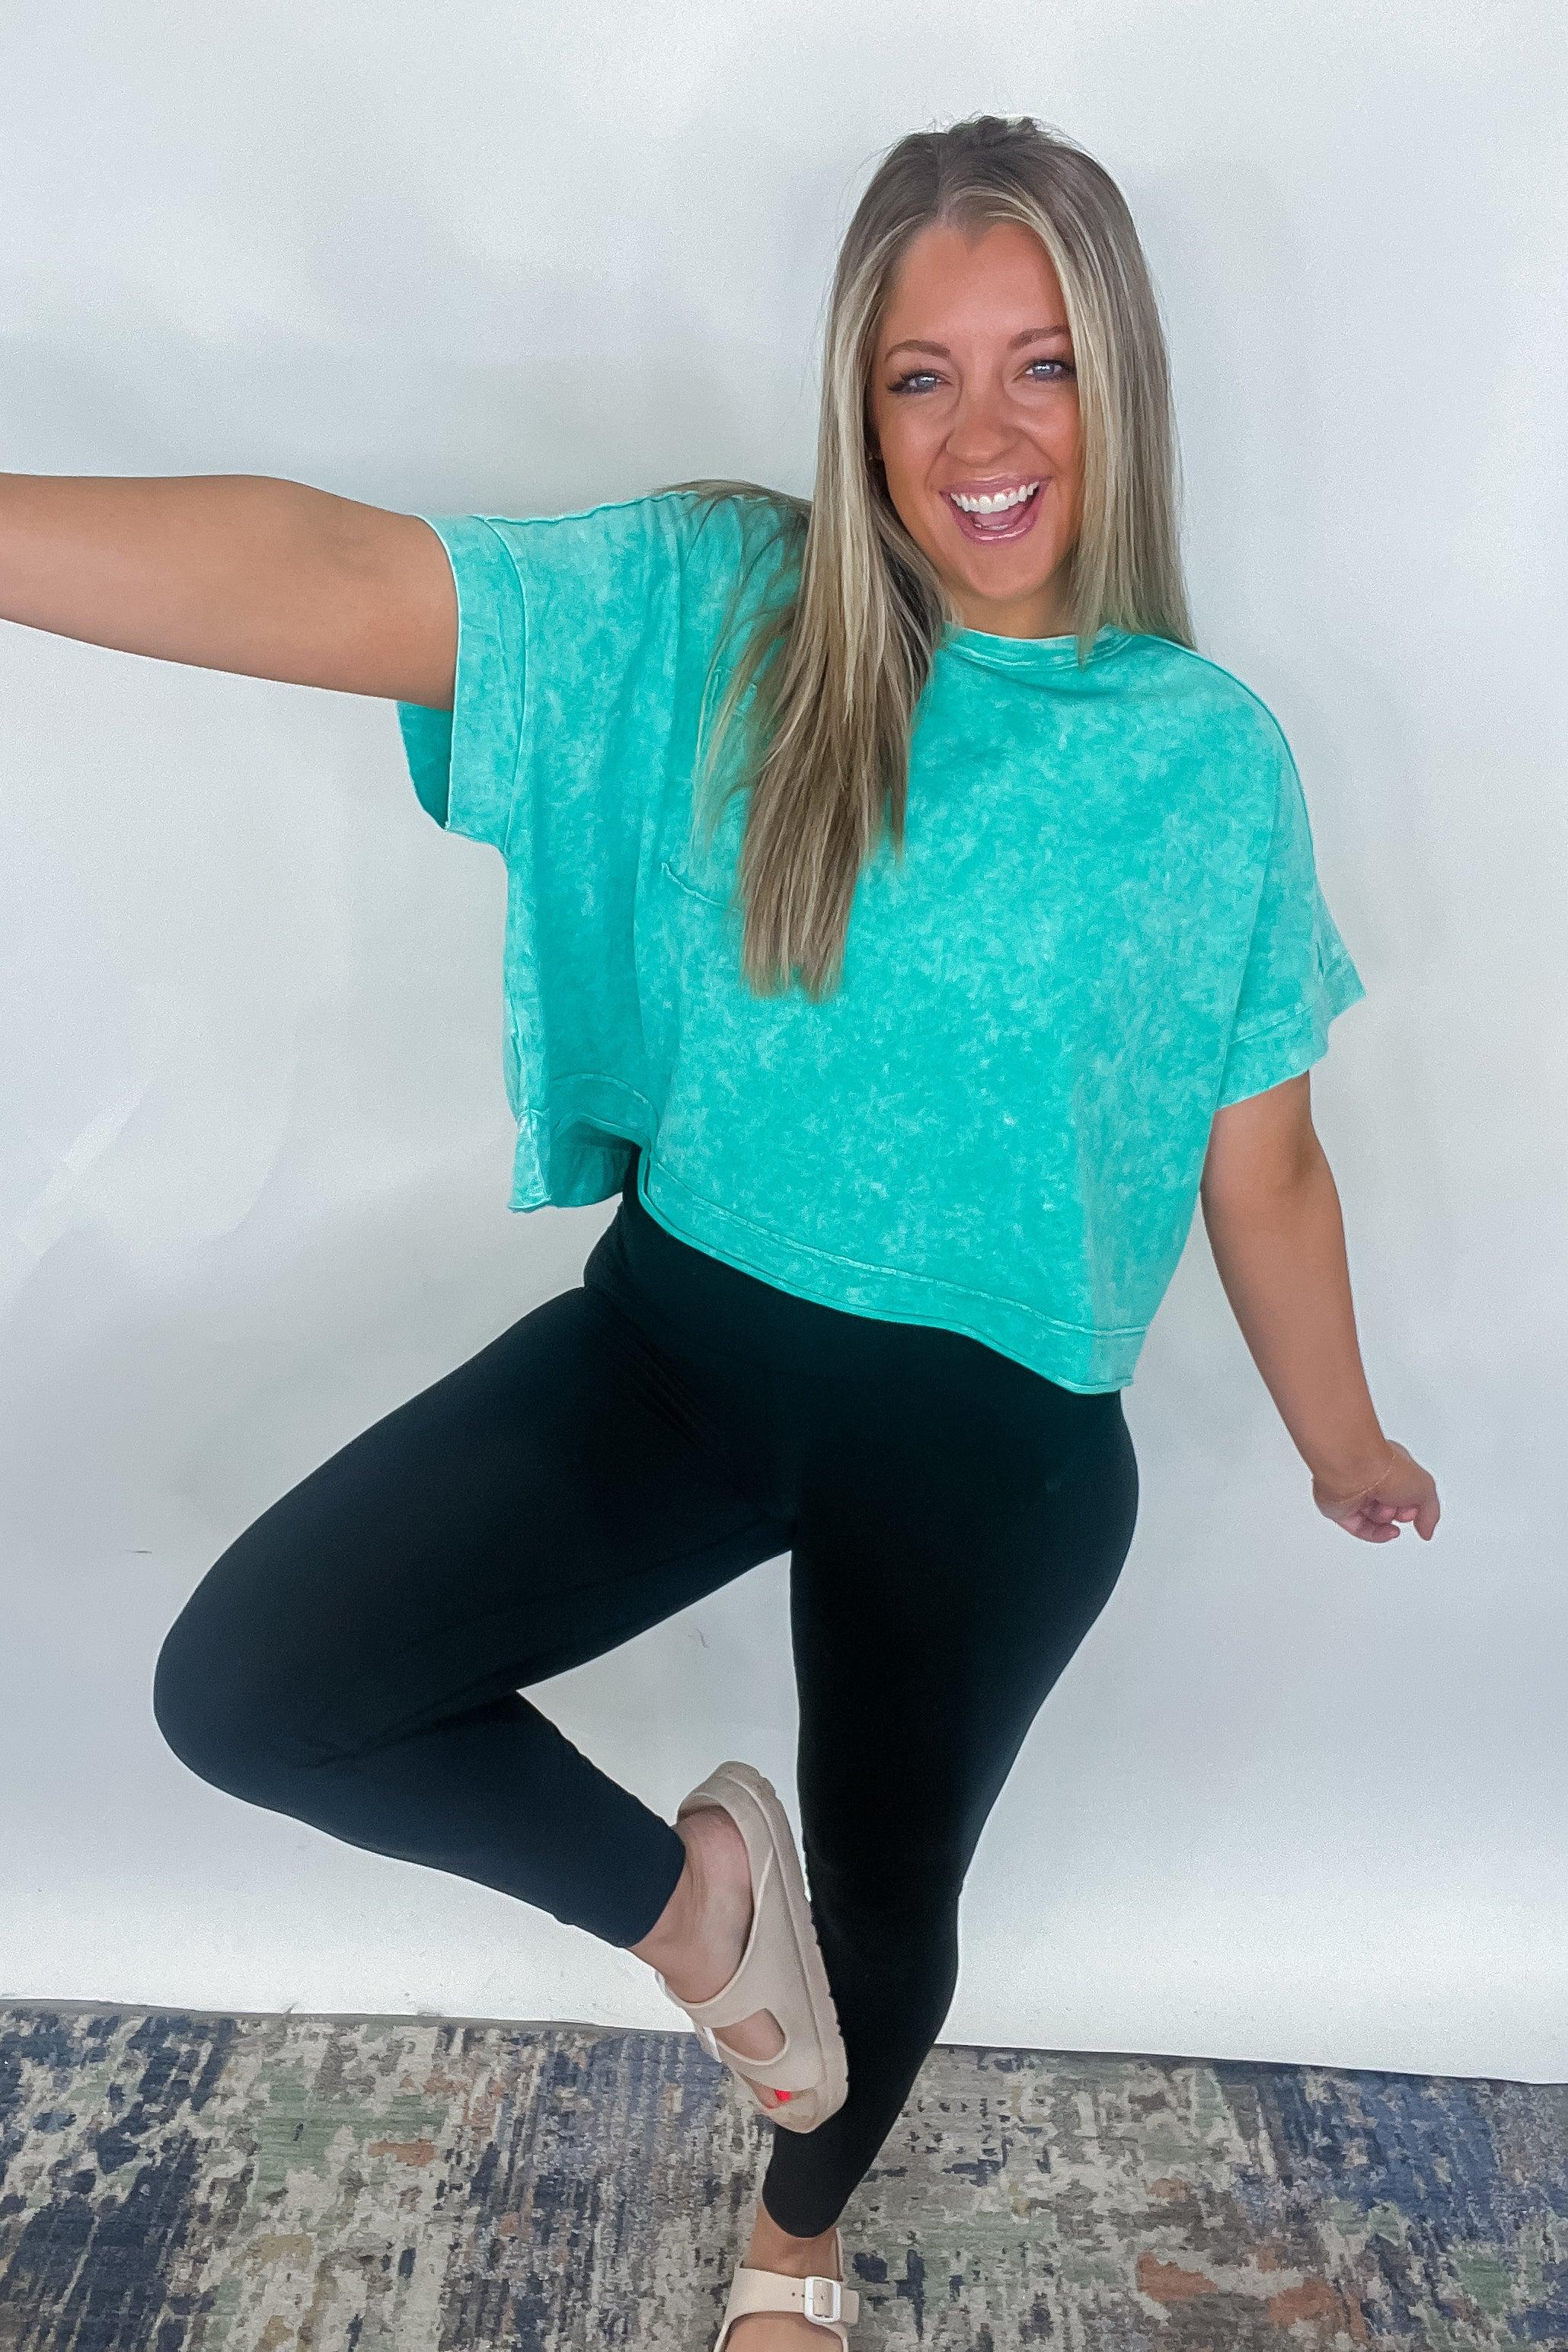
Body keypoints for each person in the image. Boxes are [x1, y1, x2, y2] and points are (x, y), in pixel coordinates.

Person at [3, 110, 1441, 2352]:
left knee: (885, 1896)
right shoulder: (724, 612)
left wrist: (1341, 1439)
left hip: (995, 1448)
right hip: (677, 1352)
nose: (982, 437)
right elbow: (330, 567)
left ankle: (795, 2248)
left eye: (1043, 366)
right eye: (919, 375)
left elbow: (1259, 1161)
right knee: (258, 1691)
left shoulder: (1208, 762)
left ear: (1123, 386)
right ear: (854, 402)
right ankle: (693, 1916)